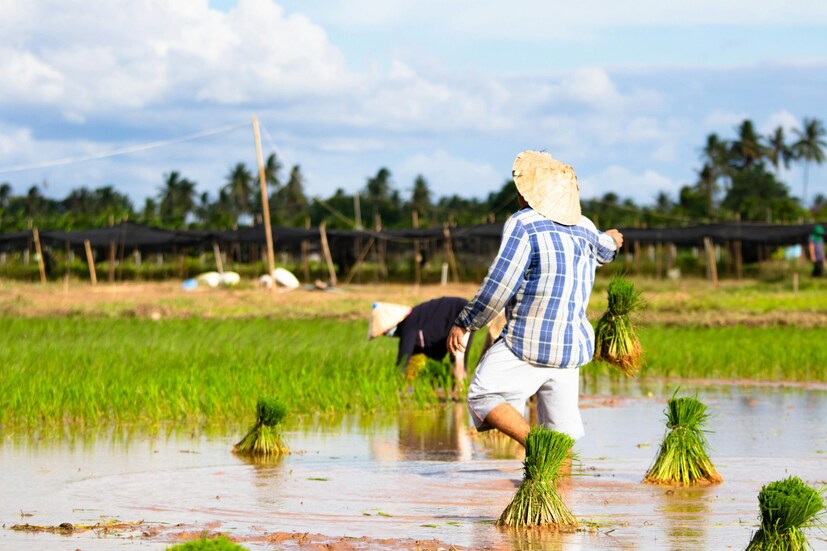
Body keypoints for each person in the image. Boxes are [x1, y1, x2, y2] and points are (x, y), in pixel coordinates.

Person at [447, 150, 623, 446]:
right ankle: (562, 489)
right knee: (562, 437)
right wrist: (613, 240)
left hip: (528, 343)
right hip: (571, 349)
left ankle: (535, 446)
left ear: (527, 194)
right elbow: (607, 248)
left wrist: (465, 323)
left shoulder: (524, 223)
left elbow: (499, 286)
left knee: (482, 394)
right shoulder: (586, 227)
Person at [368, 297, 474, 392]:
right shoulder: (418, 320)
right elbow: (430, 349)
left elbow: (404, 358)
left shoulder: (408, 325)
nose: (387, 335)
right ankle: (455, 393)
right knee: (448, 363)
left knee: (457, 360)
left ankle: (460, 398)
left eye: (384, 333)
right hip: (457, 315)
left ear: (389, 327)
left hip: (461, 314)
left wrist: (397, 384)